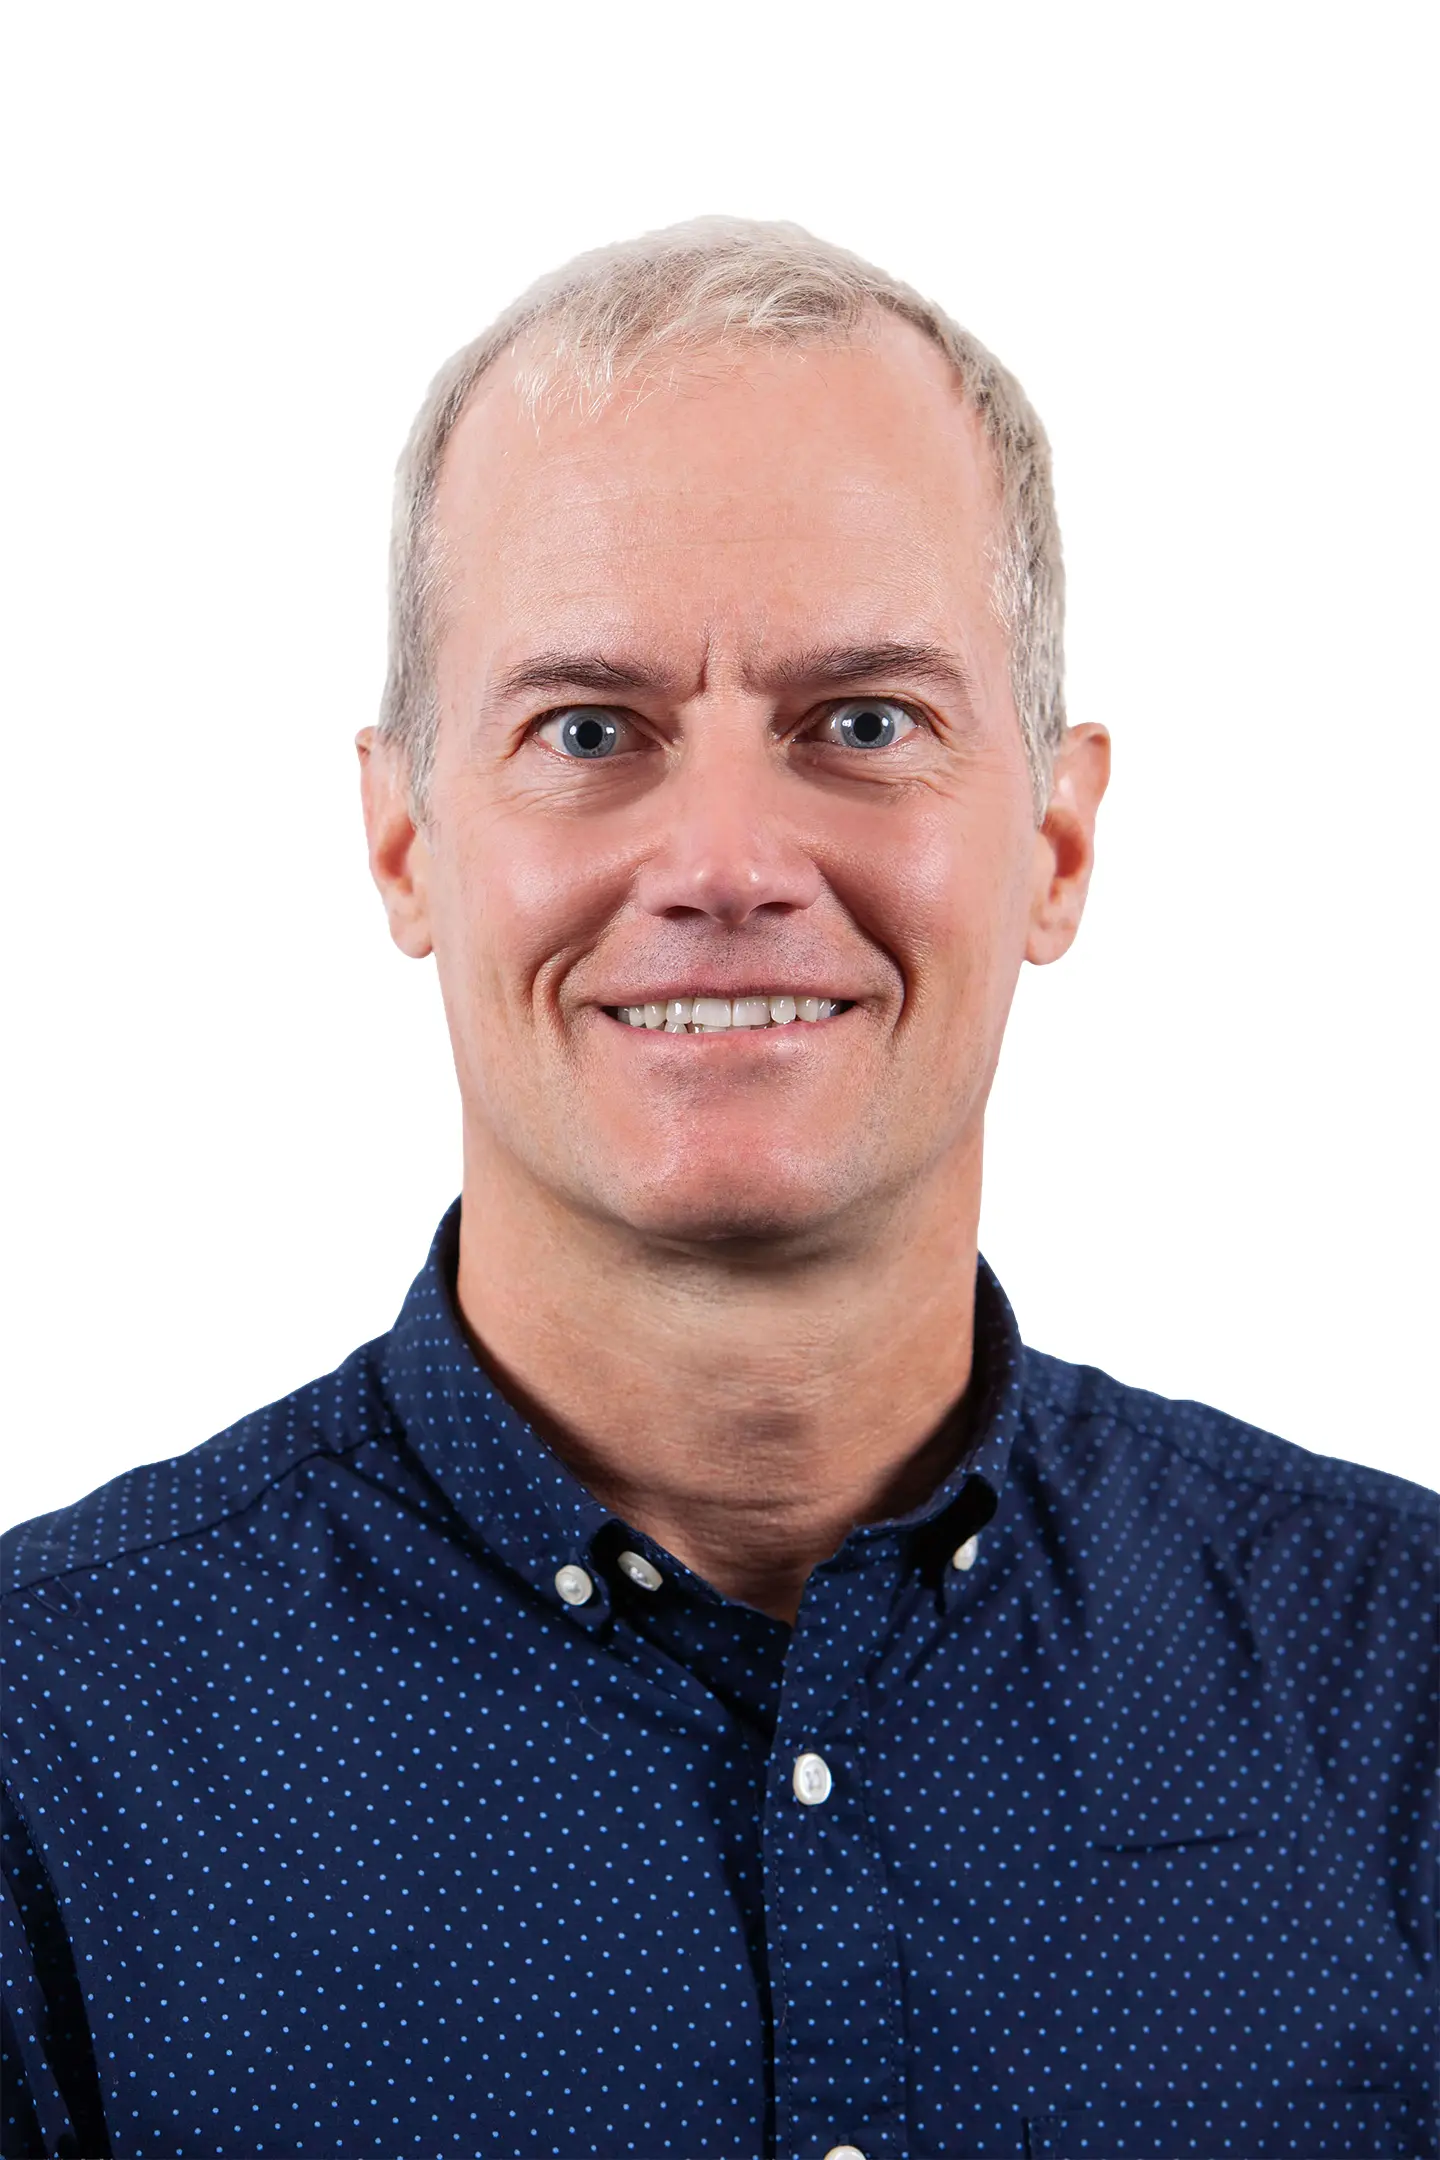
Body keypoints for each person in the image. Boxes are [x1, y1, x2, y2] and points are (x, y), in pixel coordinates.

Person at [3, 218, 1434, 2160]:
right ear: (406, 838)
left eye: (864, 725)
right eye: (590, 732)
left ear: (1060, 838)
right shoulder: (47, 1754)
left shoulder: (1396, 1681)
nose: (729, 860)